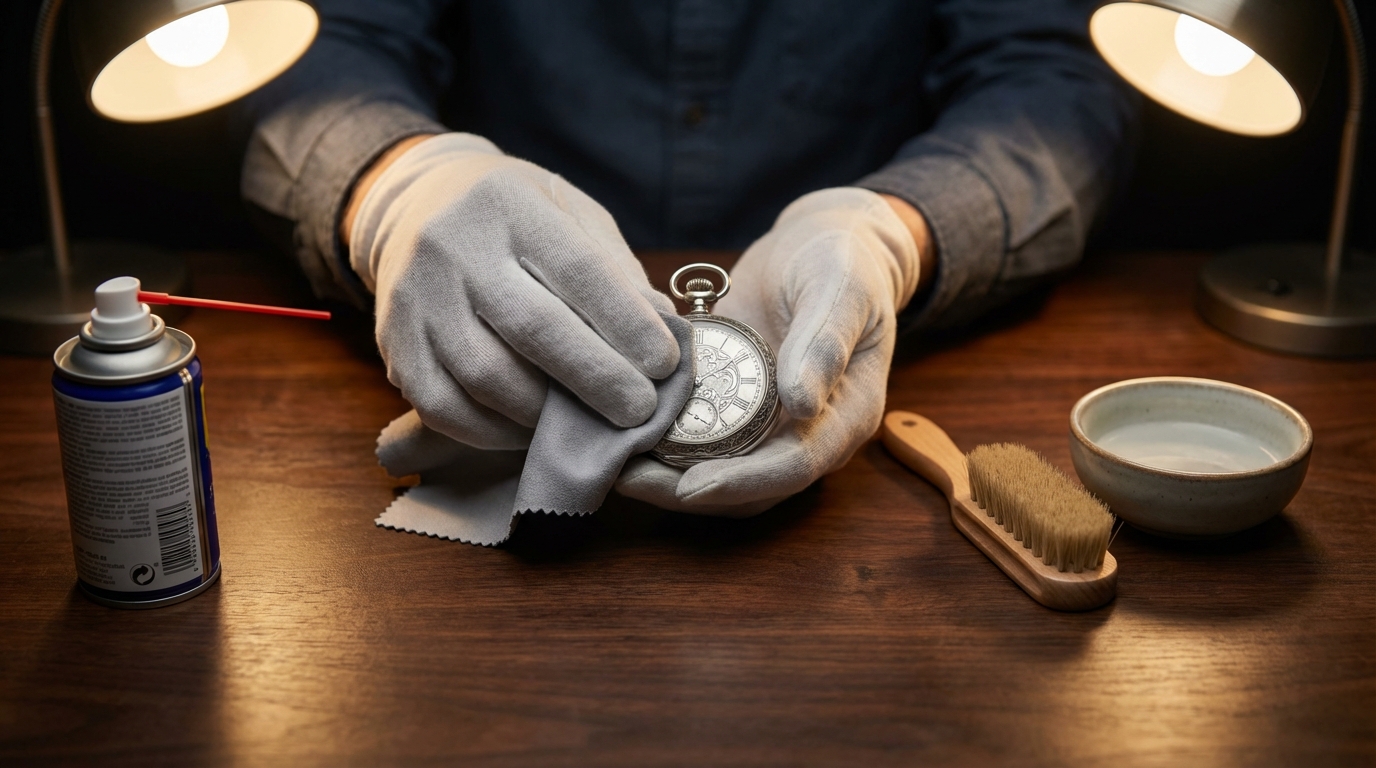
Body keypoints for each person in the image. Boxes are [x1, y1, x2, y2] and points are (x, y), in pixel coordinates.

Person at [238, 0, 1138, 516]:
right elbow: (317, 37)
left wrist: (895, 233)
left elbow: (1051, 76)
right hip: (483, 323)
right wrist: (399, 185)